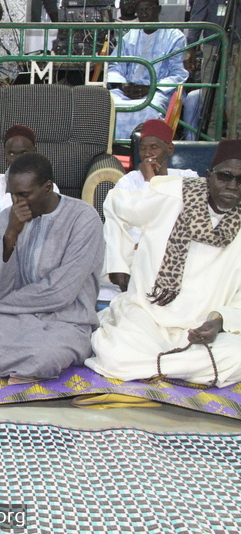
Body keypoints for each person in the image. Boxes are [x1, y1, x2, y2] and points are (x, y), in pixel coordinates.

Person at [86, 140, 241, 387]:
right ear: (209, 176)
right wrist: (119, 263)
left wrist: (219, 321)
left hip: (201, 329)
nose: (232, 187)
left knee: (236, 354)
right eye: (225, 177)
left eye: (240, 181)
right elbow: (116, 203)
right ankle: (185, 369)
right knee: (116, 353)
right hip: (148, 314)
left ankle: (154, 367)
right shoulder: (172, 195)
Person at [0, 153, 104, 381]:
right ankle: (20, 367)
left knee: (46, 354)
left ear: (47, 188)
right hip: (14, 316)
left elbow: (60, 292)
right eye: (13, 195)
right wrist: (10, 237)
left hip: (64, 319)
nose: (17, 202)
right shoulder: (8, 218)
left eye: (24, 195)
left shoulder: (83, 219)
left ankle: (22, 364)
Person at [107, 0, 189, 139]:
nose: (145, 13)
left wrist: (151, 88)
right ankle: (114, 148)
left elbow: (178, 73)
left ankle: (143, 150)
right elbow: (115, 65)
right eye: (141, 10)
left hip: (158, 91)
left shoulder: (174, 36)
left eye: (149, 8)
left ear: (158, 9)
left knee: (149, 108)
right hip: (128, 91)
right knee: (106, 103)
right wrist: (123, 85)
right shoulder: (129, 36)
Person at [185, 0, 240, 139]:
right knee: (210, 97)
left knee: (236, 99)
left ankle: (236, 144)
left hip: (238, 44)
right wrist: (191, 46)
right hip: (212, 45)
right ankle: (211, 143)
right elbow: (197, 14)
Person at [0, 125, 59, 211]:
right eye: (11, 153)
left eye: (24, 153)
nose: (17, 159)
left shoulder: (47, 188)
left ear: (34, 151)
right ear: (5, 154)